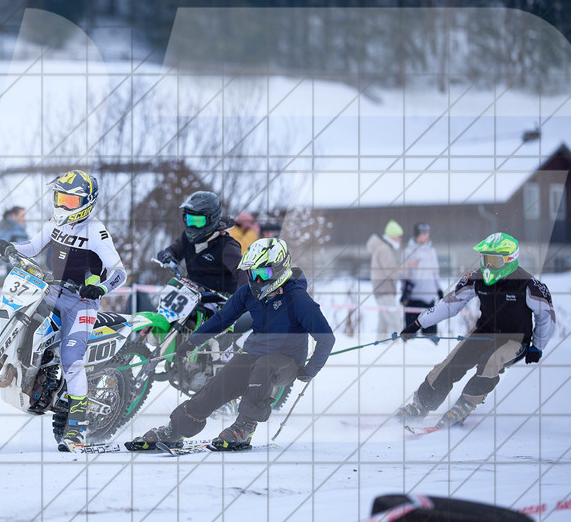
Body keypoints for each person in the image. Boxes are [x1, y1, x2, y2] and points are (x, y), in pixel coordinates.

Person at [129, 237, 335, 451]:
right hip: (253, 353)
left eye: (262, 274)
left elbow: (326, 337)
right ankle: (175, 429)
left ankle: (244, 427)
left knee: (263, 369)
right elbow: (221, 319)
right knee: (216, 387)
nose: (256, 280)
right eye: (252, 273)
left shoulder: (298, 299)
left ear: (280, 268)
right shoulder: (248, 292)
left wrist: (310, 369)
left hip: (286, 361)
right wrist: (192, 342)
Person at [0, 170, 126, 451]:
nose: (63, 205)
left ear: (86, 203)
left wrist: (100, 288)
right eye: (60, 198)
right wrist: (10, 248)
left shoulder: (96, 231)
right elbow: (32, 246)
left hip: (82, 302)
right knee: (22, 317)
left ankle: (77, 428)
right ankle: (33, 376)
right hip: (52, 289)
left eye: (70, 200)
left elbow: (119, 271)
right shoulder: (54, 223)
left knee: (72, 360)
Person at [395, 233, 555, 428]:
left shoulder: (529, 285)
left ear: (510, 260)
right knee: (451, 363)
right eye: (485, 259)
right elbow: (449, 303)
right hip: (483, 333)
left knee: (490, 362)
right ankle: (420, 406)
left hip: (514, 340)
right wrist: (419, 324)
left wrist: (537, 346)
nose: (487, 266)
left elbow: (546, 316)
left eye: (494, 261)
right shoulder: (475, 277)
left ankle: (465, 405)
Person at [157, 191, 245, 294]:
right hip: (192, 297)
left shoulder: (226, 246)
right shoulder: (186, 238)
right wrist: (166, 255)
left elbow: (242, 272)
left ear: (212, 219)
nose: (193, 226)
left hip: (221, 302)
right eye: (190, 220)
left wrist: (246, 295)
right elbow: (174, 250)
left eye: (198, 221)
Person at [367, 219, 407, 340]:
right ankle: (394, 347)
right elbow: (391, 272)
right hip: (384, 290)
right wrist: (407, 266)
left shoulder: (382, 248)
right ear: (392, 237)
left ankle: (380, 344)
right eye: (398, 237)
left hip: (382, 289)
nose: (400, 239)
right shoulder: (384, 249)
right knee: (394, 321)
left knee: (384, 321)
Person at [401, 222, 443, 337]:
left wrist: (439, 289)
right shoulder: (409, 250)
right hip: (413, 296)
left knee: (430, 332)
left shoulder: (431, 251)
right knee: (410, 332)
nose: (426, 236)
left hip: (429, 296)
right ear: (417, 235)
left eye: (427, 233)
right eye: (424, 233)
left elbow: (435, 272)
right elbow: (403, 272)